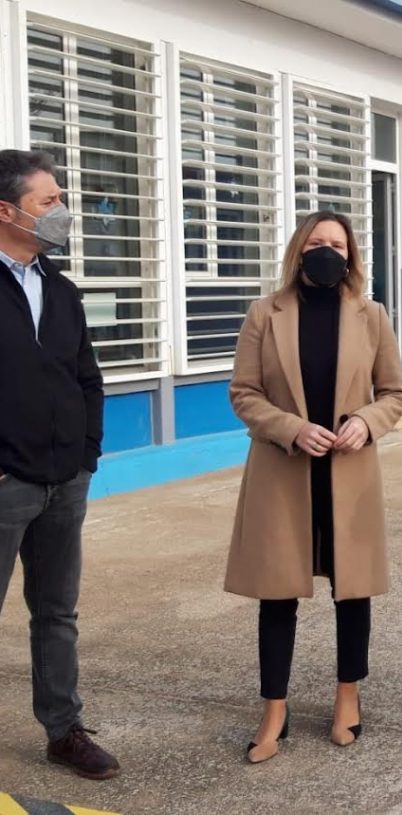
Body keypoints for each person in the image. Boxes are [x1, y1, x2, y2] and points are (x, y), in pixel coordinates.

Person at [226, 210, 402, 764]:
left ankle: (347, 697)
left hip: (348, 473)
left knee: (351, 591)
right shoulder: (266, 312)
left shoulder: (371, 315)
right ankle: (274, 710)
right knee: (277, 593)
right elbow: (244, 393)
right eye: (316, 241)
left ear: (351, 254)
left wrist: (366, 422)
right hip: (285, 472)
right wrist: (291, 428)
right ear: (298, 249)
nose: (327, 250)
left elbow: (395, 393)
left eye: (337, 243)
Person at [0, 149, 119, 780]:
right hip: (6, 484)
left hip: (64, 480)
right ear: (6, 210)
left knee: (56, 614)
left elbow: (87, 380)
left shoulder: (62, 289)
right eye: (48, 201)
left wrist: (86, 456)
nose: (62, 212)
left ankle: (64, 731)